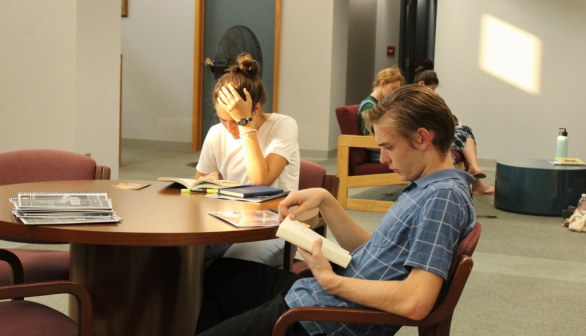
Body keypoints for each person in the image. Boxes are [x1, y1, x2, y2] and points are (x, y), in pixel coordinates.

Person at [195, 85, 476, 336]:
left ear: (422, 138)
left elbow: (416, 301)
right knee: (220, 274)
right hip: (322, 296)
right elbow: (380, 252)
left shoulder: (443, 198)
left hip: (318, 318)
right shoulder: (427, 187)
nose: (385, 158)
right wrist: (326, 200)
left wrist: (329, 281)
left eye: (387, 147)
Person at [196, 53, 300, 266]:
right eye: (223, 119)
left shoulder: (284, 126)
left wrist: (245, 124)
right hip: (230, 224)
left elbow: (260, 180)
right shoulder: (217, 133)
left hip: (276, 229)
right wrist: (207, 182)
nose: (230, 128)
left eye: (235, 120)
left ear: (256, 108)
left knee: (233, 268)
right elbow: (198, 185)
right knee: (173, 252)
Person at [415, 70, 495, 195]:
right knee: (464, 131)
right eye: (431, 89)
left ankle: (475, 173)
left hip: (435, 134)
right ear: (421, 84)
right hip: (429, 137)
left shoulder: (425, 100)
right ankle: (476, 178)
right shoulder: (415, 101)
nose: (433, 93)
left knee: (464, 130)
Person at [357, 67, 404, 163]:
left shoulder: (381, 104)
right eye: (393, 89)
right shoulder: (369, 106)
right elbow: (368, 140)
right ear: (383, 83)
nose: (395, 93)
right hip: (379, 155)